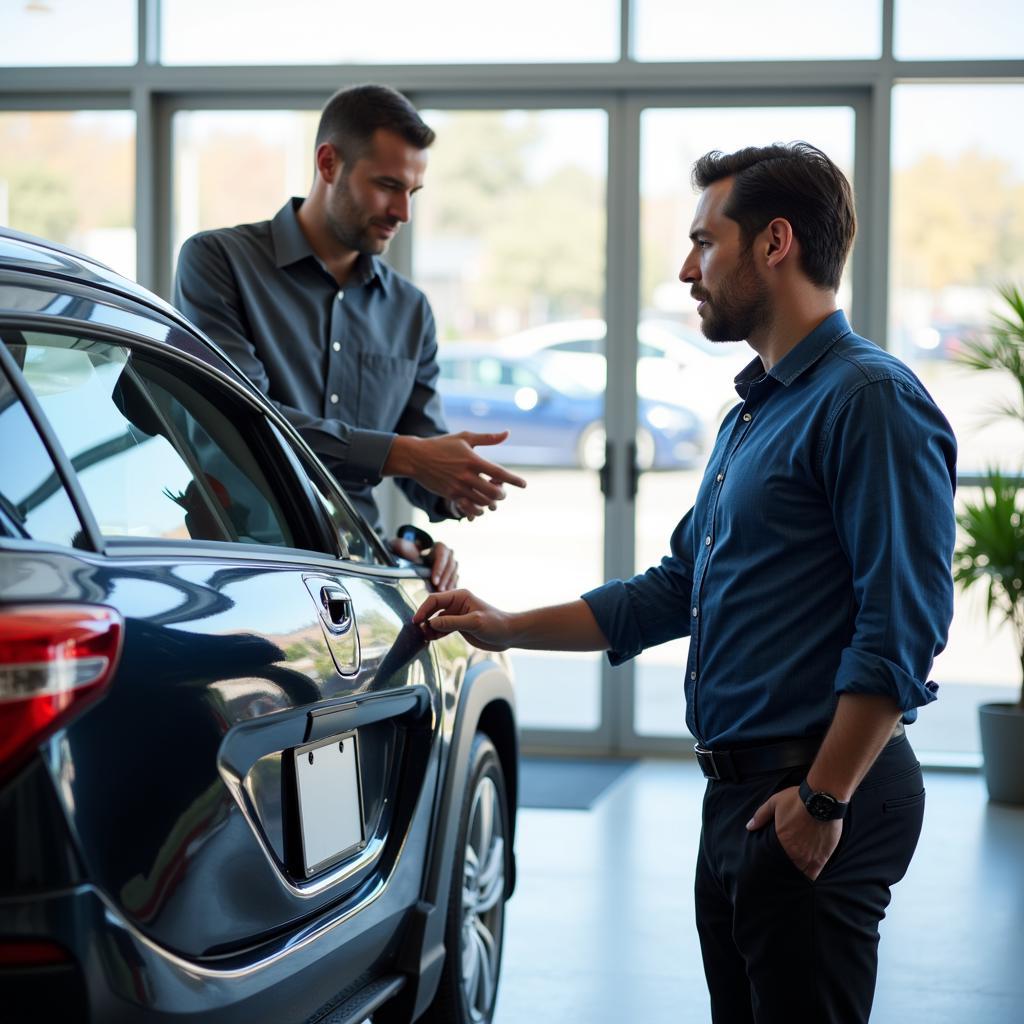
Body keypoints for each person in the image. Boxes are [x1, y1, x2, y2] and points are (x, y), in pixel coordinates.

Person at [414, 143, 957, 1023]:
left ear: (775, 242)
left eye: (705, 242)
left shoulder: (868, 400)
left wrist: (822, 800)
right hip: (743, 797)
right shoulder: (753, 413)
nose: (685, 269)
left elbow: (903, 624)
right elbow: (674, 589)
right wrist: (508, 625)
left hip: (819, 788)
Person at [174, 84, 526, 589]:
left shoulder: (411, 310)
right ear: (328, 163)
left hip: (358, 580)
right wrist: (404, 455)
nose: (402, 212)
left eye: (412, 192)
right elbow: (243, 422)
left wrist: (453, 488)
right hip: (242, 574)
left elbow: (418, 452)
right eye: (387, 185)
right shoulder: (218, 262)